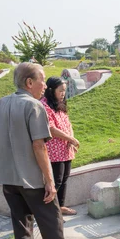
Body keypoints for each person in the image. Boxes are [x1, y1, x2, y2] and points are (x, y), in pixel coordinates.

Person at [0, 62, 90, 239]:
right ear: (29, 82)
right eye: (42, 80)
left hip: (8, 179)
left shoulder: (1, 104)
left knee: (22, 227)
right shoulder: (34, 106)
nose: (45, 85)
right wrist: (49, 181)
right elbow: (39, 147)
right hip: (32, 181)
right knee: (53, 225)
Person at [40, 77, 79, 215]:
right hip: (54, 150)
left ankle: (60, 207)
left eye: (64, 90)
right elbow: (51, 128)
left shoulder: (59, 104)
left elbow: (68, 123)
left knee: (64, 179)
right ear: (51, 90)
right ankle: (51, 211)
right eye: (60, 90)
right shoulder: (44, 106)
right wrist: (71, 139)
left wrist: (71, 139)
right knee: (56, 181)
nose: (63, 93)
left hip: (65, 148)